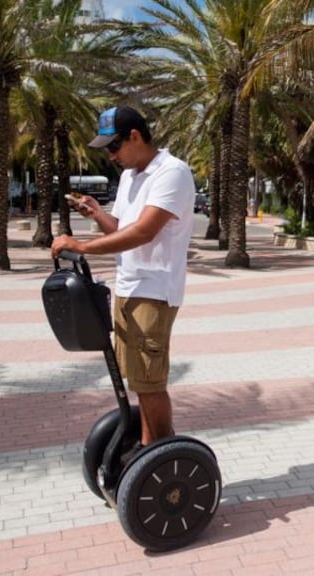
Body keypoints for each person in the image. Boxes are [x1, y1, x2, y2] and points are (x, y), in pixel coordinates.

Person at [51, 106, 195, 449]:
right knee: (138, 382)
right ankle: (153, 453)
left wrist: (82, 247)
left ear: (135, 136)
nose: (110, 156)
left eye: (113, 147)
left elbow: (144, 232)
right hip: (128, 288)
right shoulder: (131, 176)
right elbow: (121, 229)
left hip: (155, 291)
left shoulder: (171, 172)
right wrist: (97, 213)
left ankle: (160, 458)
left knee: (150, 382)